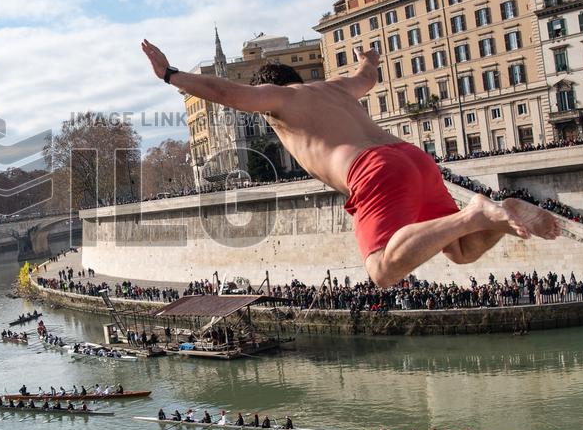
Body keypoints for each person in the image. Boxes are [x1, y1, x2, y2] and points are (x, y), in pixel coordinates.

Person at [142, 41, 560, 287]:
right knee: (463, 251)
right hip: (413, 158)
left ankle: (477, 212)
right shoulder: (335, 89)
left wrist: (170, 75)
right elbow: (366, 77)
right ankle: (504, 216)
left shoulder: (280, 99)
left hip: (372, 168)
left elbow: (226, 93)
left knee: (380, 269)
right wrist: (370, 60)